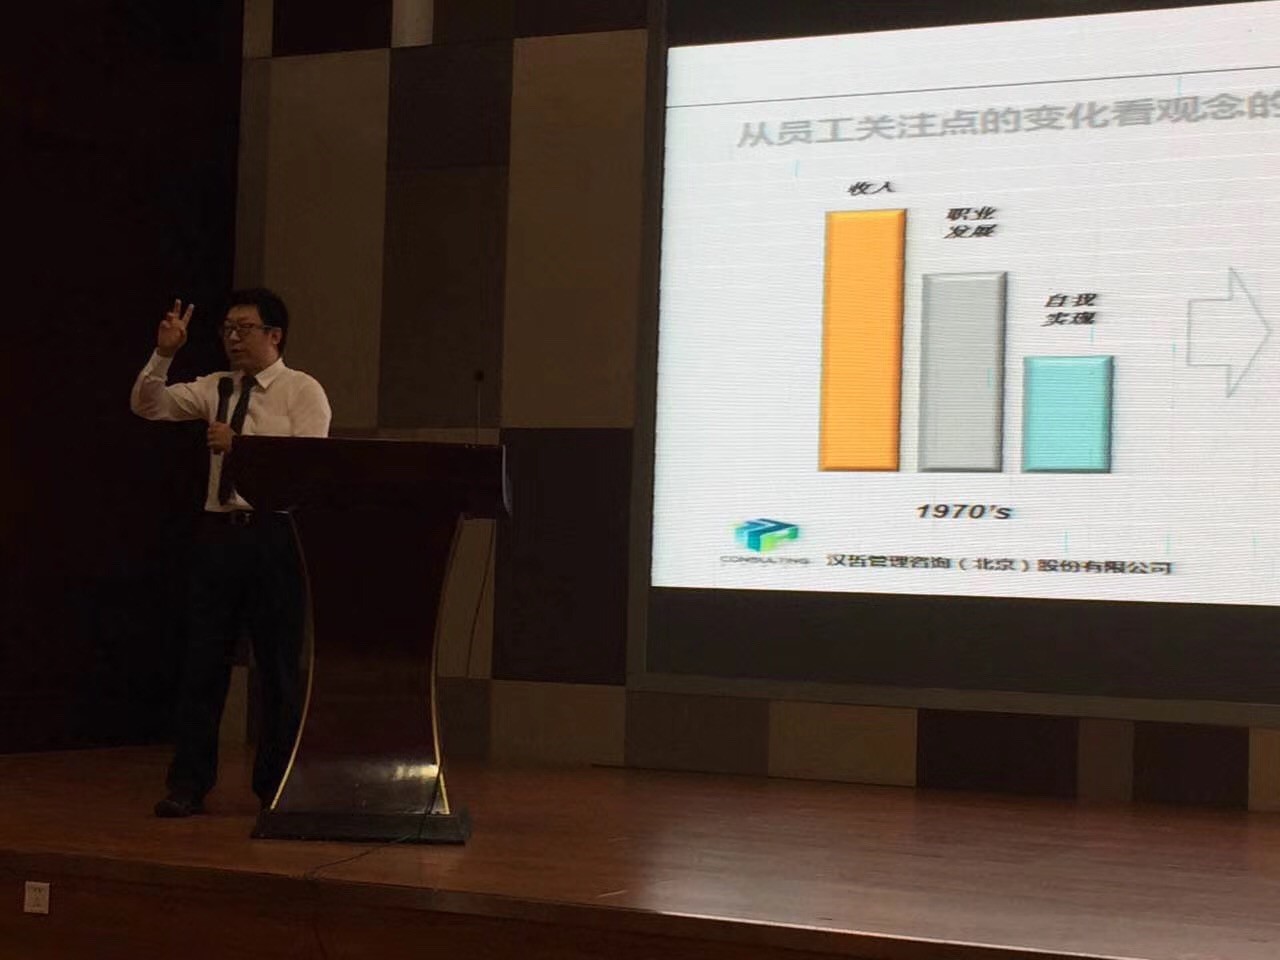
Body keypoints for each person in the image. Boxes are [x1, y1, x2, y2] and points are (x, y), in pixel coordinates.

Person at [131, 288, 331, 817]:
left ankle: (277, 788)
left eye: (245, 328)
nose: (234, 339)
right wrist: (165, 354)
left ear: (275, 335)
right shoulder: (216, 386)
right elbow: (148, 405)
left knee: (278, 668)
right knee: (203, 662)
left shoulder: (302, 390)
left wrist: (241, 446)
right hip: (218, 536)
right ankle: (188, 784)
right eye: (227, 330)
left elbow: (308, 466)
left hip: (275, 535)